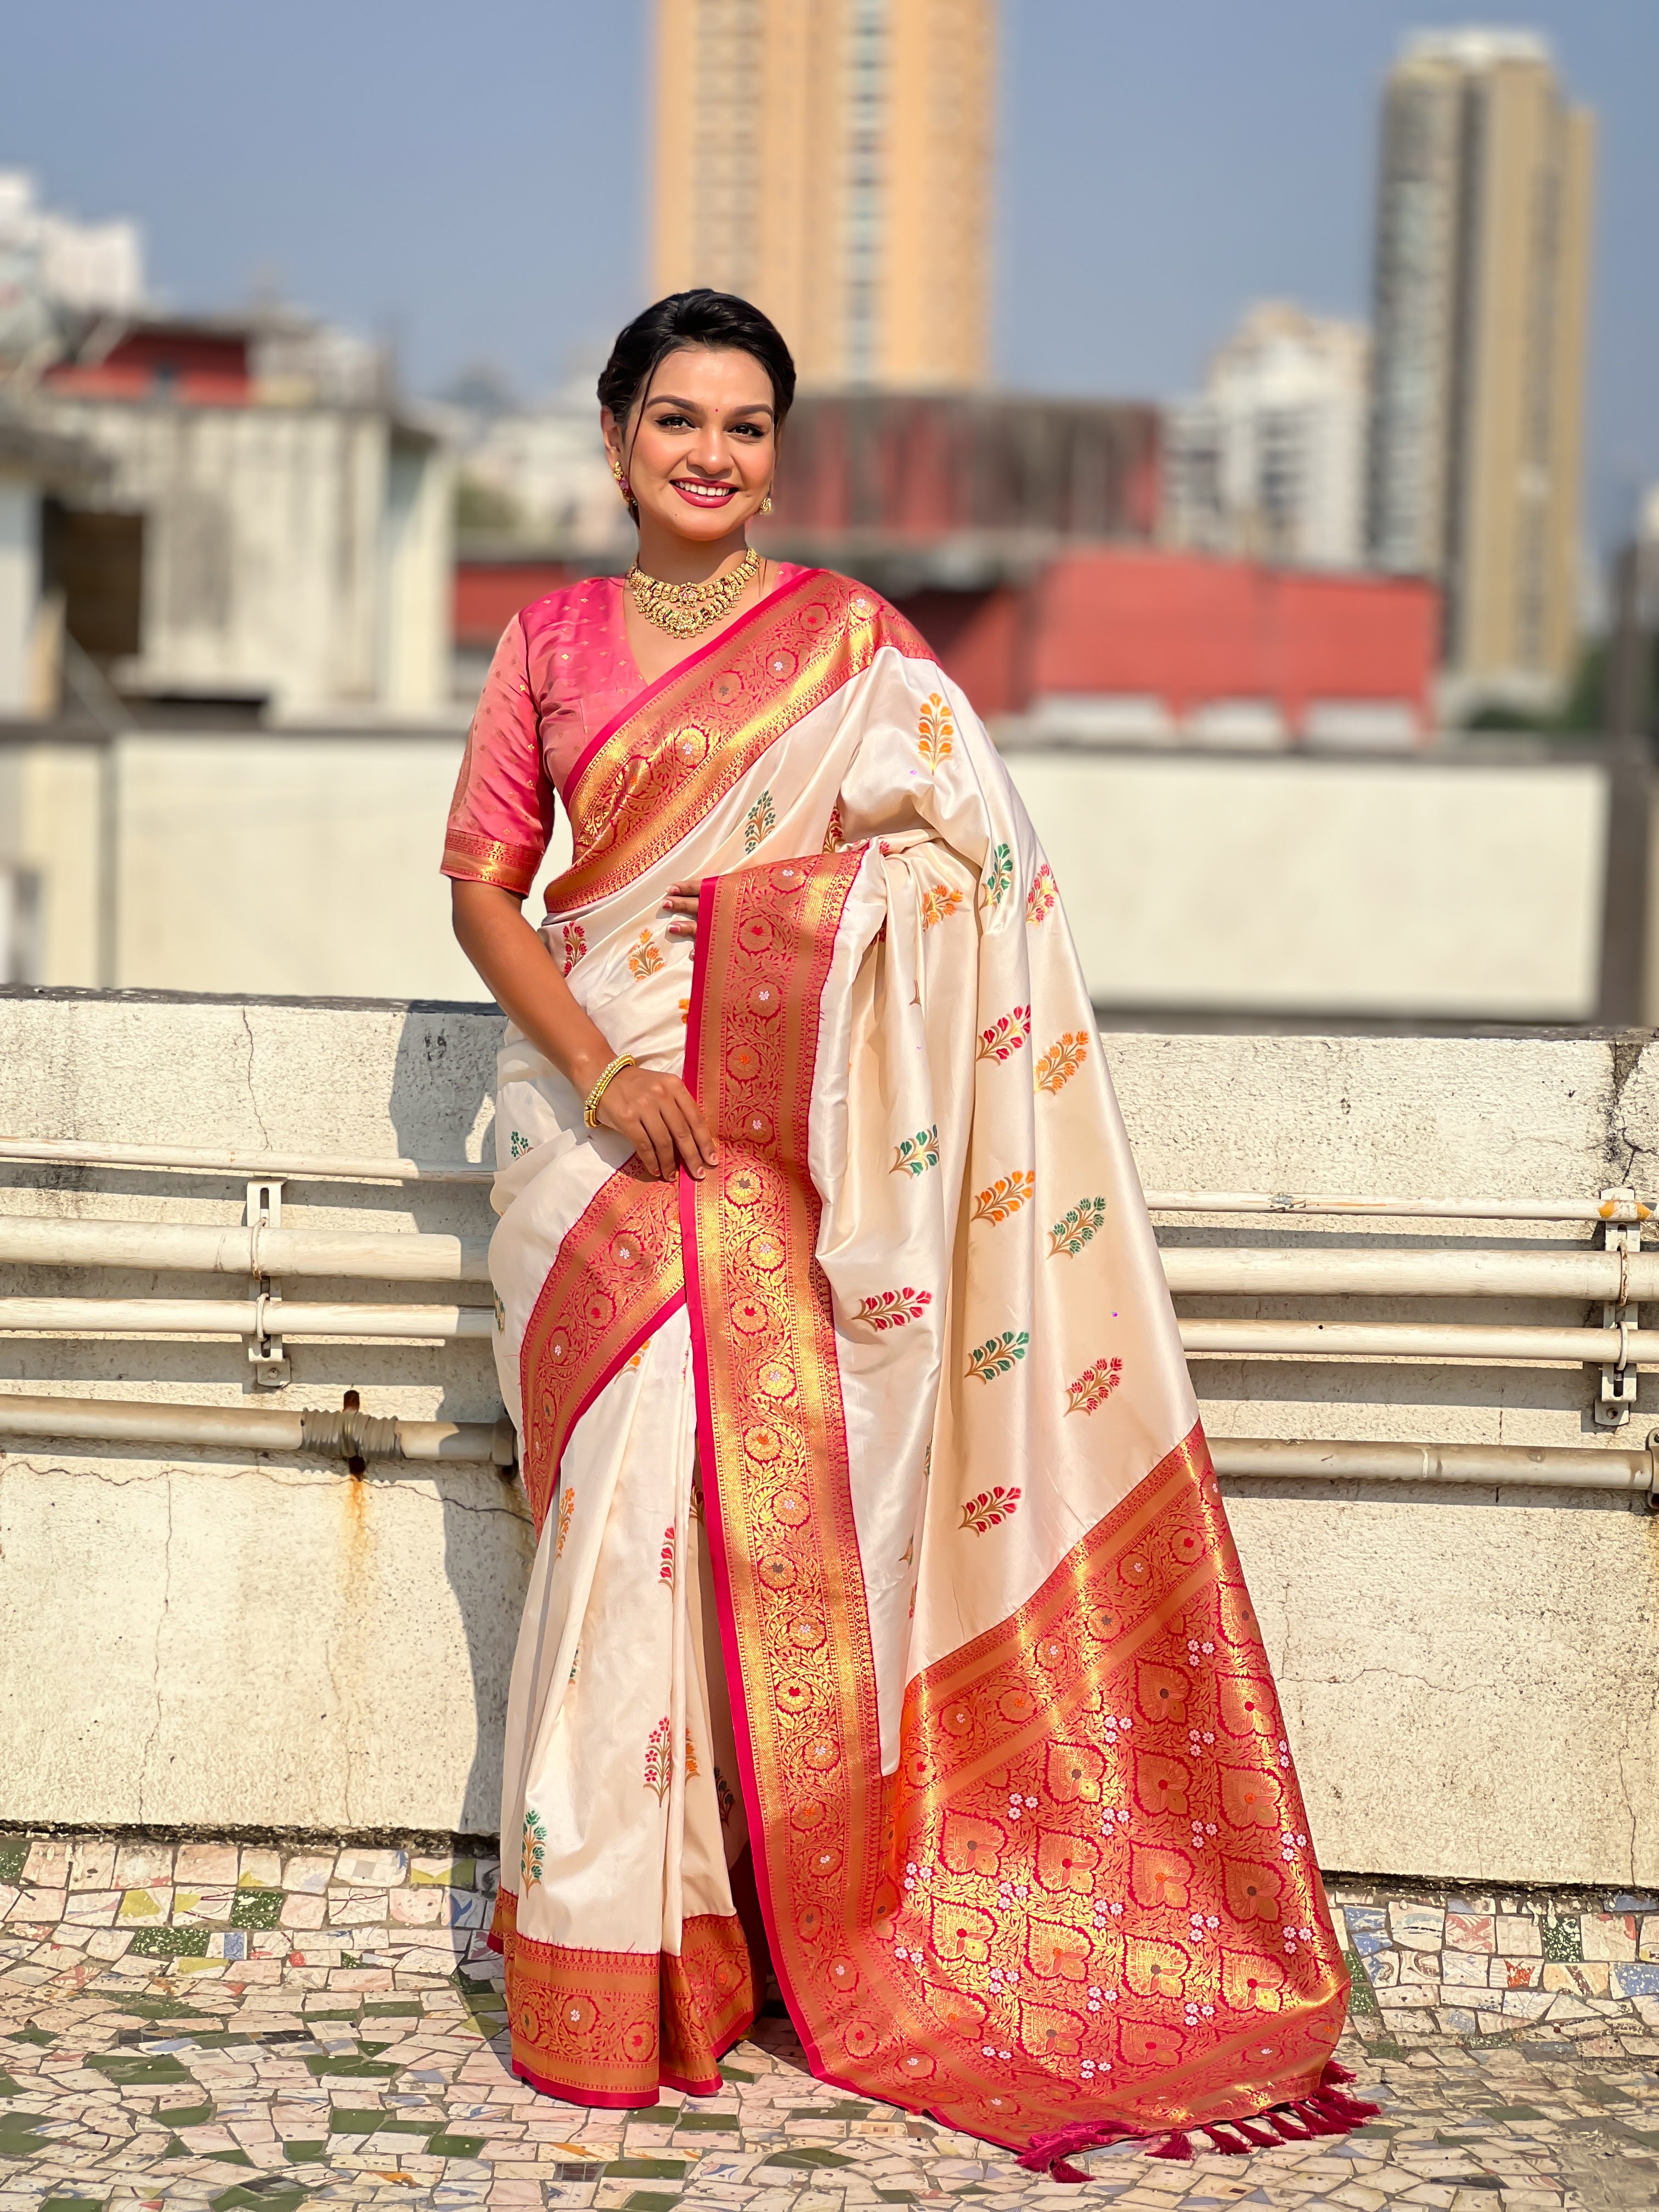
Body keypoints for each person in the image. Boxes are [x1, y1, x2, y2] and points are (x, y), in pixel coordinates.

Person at [443, 289, 1368, 2179]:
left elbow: (978, 863)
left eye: (750, 426)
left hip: (793, 1141)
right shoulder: (543, 644)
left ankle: (751, 1932)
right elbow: (483, 887)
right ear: (613, 432)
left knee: (757, 1510)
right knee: (629, 1502)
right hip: (608, 1123)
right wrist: (605, 1071)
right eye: (680, 417)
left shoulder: (853, 647)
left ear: (778, 452)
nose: (713, 454)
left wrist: (791, 941)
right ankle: (623, 1947)